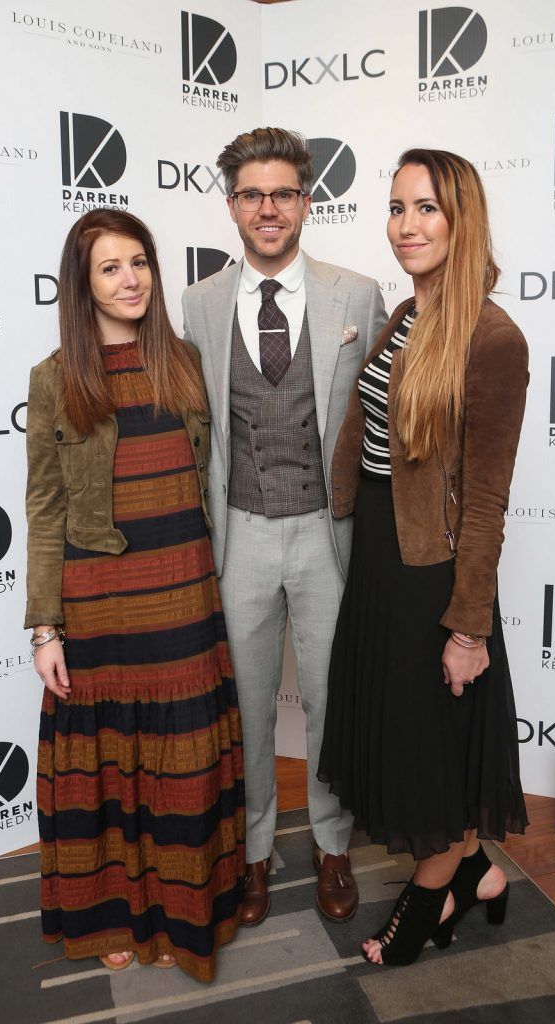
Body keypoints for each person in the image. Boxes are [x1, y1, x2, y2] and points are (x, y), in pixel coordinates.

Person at [320, 148, 529, 966]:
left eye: (427, 208)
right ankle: (477, 874)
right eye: (398, 207)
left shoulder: (492, 336)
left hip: (434, 577)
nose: (406, 225)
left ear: (462, 218)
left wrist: (468, 628)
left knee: (432, 752)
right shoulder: (411, 312)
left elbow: (485, 500)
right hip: (381, 555)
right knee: (406, 739)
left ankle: (425, 905)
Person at [24, 209, 245, 983]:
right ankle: (113, 913)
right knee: (106, 775)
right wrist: (45, 628)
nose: (130, 279)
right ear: (82, 288)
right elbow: (46, 510)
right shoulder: (55, 381)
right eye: (110, 268)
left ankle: (188, 916)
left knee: (181, 771)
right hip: (99, 598)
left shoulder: (182, 362)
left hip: (183, 588)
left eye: (140, 261)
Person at [182, 127, 387, 926]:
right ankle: (257, 852)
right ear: (232, 205)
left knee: (336, 699)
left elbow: (381, 425)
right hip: (239, 536)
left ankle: (332, 845)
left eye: (284, 193)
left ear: (307, 201)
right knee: (250, 703)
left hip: (329, 536)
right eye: (251, 194)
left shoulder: (357, 293)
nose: (268, 209)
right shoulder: (199, 302)